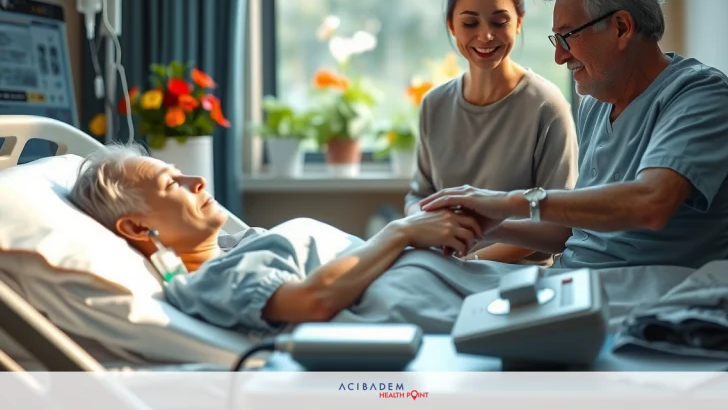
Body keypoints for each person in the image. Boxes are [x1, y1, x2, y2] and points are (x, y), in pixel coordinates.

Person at [420, 0, 728, 270]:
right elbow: (569, 231)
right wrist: (485, 226)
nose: (560, 56)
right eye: (556, 40)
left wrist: (507, 201)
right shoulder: (595, 104)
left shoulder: (700, 94)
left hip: (653, 297)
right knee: (413, 281)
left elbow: (651, 203)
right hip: (576, 283)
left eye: (568, 36)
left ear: (622, 27)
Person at [69, 143, 510, 334]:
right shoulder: (207, 281)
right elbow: (310, 301)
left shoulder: (239, 247)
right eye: (172, 183)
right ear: (137, 228)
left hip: (475, 286)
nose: (198, 179)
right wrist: (401, 231)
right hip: (461, 311)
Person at [405, 0, 578, 265]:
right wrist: (426, 225)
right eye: (470, 23)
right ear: (451, 26)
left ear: (519, 22)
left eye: (499, 22)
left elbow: (559, 230)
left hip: (517, 278)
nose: (485, 36)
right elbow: (419, 195)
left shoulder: (547, 106)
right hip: (441, 266)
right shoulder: (434, 105)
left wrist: (472, 260)